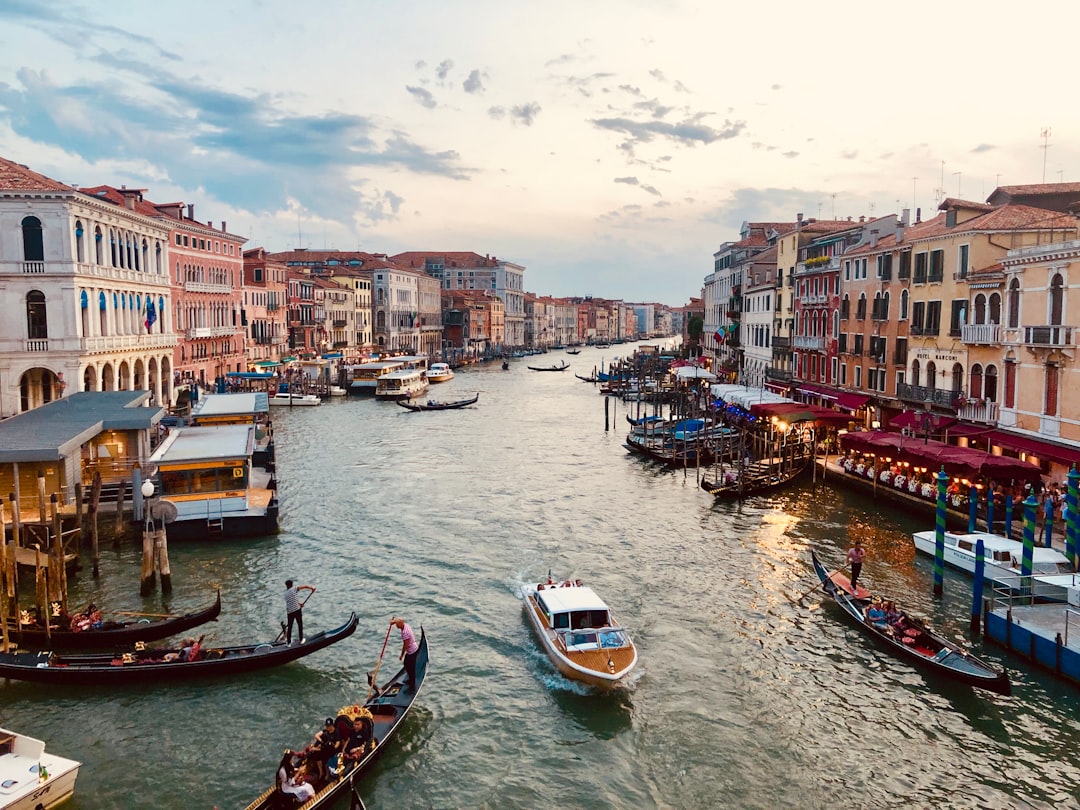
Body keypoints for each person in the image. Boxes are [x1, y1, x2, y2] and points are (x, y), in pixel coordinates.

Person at [284, 579, 315, 645]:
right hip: (297, 610)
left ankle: (288, 643)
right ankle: (301, 639)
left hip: (290, 612)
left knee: (290, 627)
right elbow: (305, 586)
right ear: (292, 584)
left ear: (286, 586)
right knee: (300, 625)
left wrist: (300, 604)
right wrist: (312, 588)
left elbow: (291, 601)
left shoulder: (285, 594)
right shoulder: (294, 589)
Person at [393, 617, 420, 692]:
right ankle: (410, 680)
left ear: (400, 625)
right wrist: (393, 622)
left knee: (410, 668)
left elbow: (405, 645)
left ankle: (412, 685)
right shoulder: (406, 625)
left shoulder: (405, 633)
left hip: (411, 651)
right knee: (406, 664)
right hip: (413, 648)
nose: (396, 626)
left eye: (397, 625)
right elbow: (398, 621)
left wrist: (402, 655)